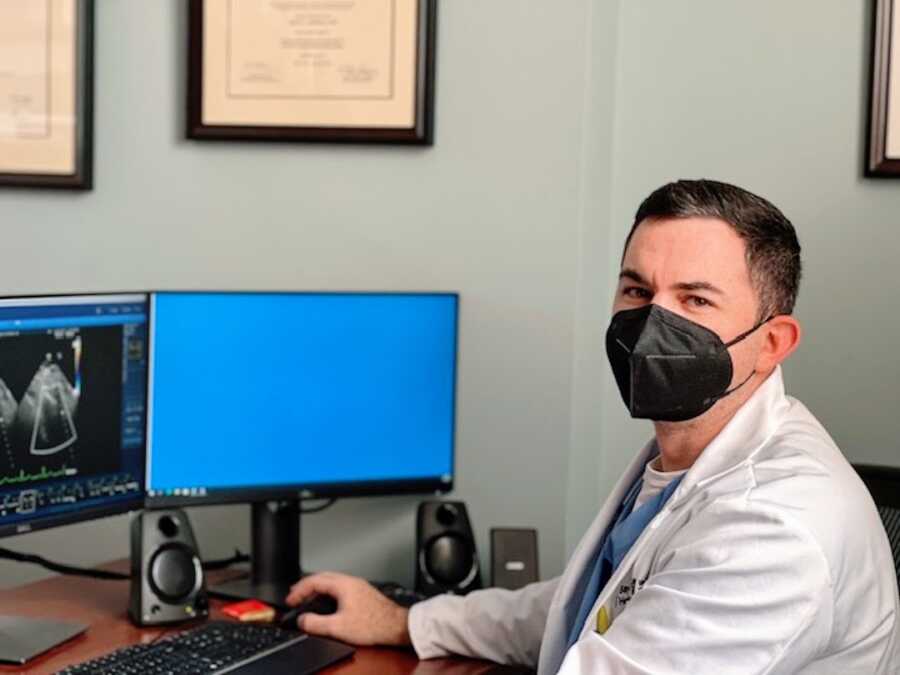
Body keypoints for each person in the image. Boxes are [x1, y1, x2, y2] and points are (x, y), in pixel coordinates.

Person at [285, 180, 900, 673]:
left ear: (772, 343)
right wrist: (407, 622)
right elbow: (597, 607)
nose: (653, 323)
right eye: (637, 290)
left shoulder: (775, 527)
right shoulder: (693, 455)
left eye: (695, 300)